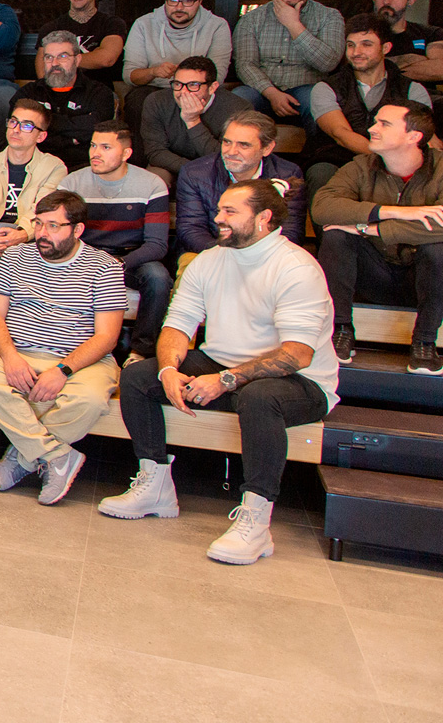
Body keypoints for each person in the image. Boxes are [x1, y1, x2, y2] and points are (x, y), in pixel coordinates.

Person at [99, 178, 336, 565]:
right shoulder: (210, 259)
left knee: (259, 396)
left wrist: (226, 379)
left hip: (302, 383)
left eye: (230, 211)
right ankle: (155, 484)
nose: (217, 217)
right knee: (140, 376)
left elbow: (297, 354)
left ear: (264, 218)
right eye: (219, 208)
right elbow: (177, 325)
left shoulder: (295, 267)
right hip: (221, 363)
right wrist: (170, 370)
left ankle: (256, 520)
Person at [0, 190, 127, 504]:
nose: (42, 233)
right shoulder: (15, 257)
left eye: (54, 226)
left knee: (90, 399)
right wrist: (11, 358)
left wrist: (62, 370)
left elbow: (106, 337)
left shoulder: (105, 267)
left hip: (81, 360)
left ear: (77, 229)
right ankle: (56, 456)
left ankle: (25, 456)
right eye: (39, 224)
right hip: (20, 350)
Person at [311, 102, 443, 372]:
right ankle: (340, 330)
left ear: (414, 136)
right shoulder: (362, 165)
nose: (372, 129)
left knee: (437, 248)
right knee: (335, 235)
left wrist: (370, 228)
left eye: (384, 124)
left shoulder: (440, 169)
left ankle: (425, 343)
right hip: (375, 274)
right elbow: (322, 206)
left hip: (427, 277)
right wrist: (392, 212)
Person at [60, 122, 171, 364]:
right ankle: (68, 347)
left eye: (105, 147)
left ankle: (140, 353)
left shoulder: (152, 184)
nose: (95, 153)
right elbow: (61, 234)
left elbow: (157, 244)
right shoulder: (71, 184)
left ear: (126, 153)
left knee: (158, 278)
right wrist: (91, 262)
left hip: (130, 258)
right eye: (93, 145)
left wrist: (118, 263)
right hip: (85, 256)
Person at [303, 12, 431, 194]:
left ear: (386, 48)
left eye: (366, 45)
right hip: (338, 158)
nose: (356, 53)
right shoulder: (326, 88)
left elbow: (424, 137)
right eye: (350, 45)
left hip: (397, 160)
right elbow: (342, 134)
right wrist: (381, 160)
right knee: (320, 173)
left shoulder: (412, 89)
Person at [172, 111, 306, 258]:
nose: (231, 151)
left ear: (267, 148)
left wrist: (253, 255)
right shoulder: (194, 173)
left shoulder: (287, 174)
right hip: (209, 254)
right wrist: (229, 255)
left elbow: (291, 230)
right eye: (227, 142)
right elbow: (191, 229)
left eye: (243, 145)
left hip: (266, 257)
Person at [0, 100, 67, 289]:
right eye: (13, 121)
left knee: (2, 233)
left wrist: (21, 234)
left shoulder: (54, 167)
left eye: (27, 125)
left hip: (31, 240)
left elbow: (41, 209)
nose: (16, 129)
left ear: (41, 136)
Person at [232, 0, 344, 123]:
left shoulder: (329, 16)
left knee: (316, 98)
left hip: (305, 91)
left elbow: (328, 63)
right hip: (263, 92)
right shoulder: (252, 19)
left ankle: (318, 150)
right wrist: (272, 94)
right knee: (240, 97)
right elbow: (245, 64)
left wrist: (294, 25)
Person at [122, 0, 233, 130]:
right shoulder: (143, 24)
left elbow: (217, 76)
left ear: (200, 1)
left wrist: (186, 84)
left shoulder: (217, 25)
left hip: (198, 89)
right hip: (156, 89)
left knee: (223, 102)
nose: (179, 7)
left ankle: (208, 153)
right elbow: (130, 76)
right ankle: (143, 154)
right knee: (138, 100)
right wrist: (153, 71)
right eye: (173, 0)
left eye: (188, 1)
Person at [18, 30, 115, 171]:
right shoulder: (28, 93)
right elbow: (19, 132)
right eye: (48, 57)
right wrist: (72, 139)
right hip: (35, 168)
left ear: (77, 60)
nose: (54, 63)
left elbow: (98, 134)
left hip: (85, 168)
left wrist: (45, 122)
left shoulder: (99, 93)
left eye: (62, 56)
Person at [139, 56, 242, 182]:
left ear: (212, 87)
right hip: (172, 166)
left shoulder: (237, 109)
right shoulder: (156, 101)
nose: (183, 92)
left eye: (193, 85)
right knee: (153, 179)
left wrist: (192, 121)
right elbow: (155, 152)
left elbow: (225, 158)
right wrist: (192, 169)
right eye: (178, 84)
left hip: (218, 168)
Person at [38, 0, 127, 84]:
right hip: (61, 93)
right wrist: (90, 58)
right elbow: (43, 72)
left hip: (99, 93)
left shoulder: (111, 23)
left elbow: (107, 59)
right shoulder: (51, 28)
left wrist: (61, 60)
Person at [372, 0, 443, 82]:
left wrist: (382, 67)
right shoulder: (361, 33)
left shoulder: (431, 33)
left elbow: (439, 70)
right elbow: (357, 67)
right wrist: (410, 59)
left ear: (410, 2)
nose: (387, 1)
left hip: (424, 97)